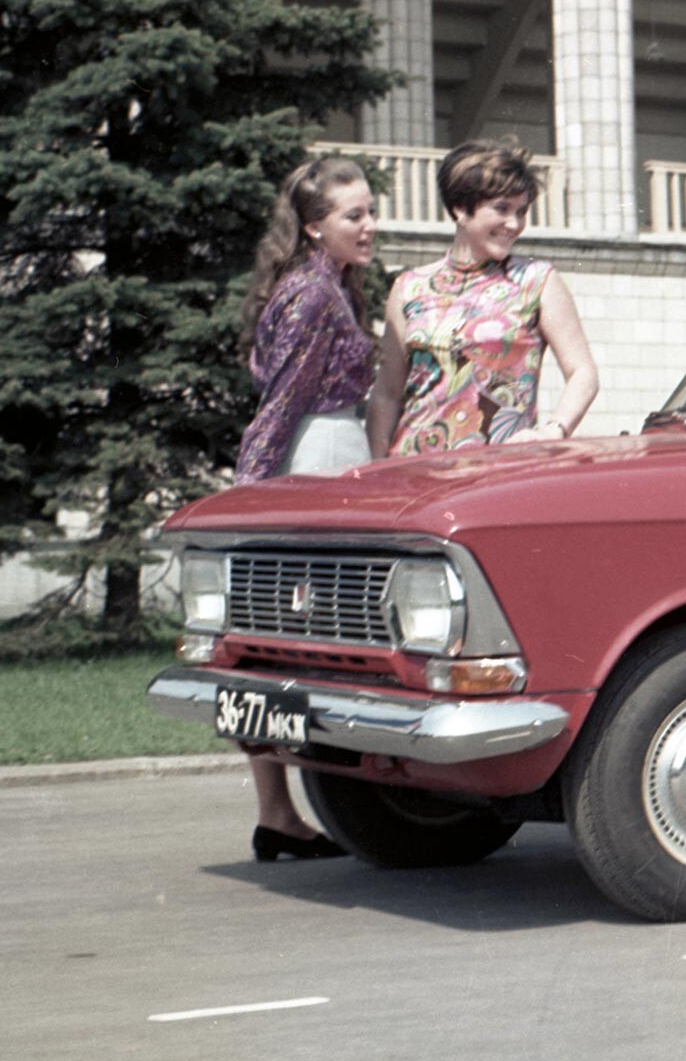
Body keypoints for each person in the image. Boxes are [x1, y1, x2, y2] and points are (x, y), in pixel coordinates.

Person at [232, 156, 381, 861]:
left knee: (284, 646)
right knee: (301, 646)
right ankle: (282, 812)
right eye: (355, 215)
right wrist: (251, 500)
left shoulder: (326, 287)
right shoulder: (314, 296)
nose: (370, 225)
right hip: (317, 463)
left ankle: (279, 815)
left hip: (327, 455)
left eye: (371, 211)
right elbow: (283, 401)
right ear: (316, 226)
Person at [367, 140, 598, 457]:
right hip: (413, 467)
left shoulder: (537, 282)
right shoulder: (409, 287)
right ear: (460, 208)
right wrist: (378, 464)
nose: (514, 224)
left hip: (500, 470)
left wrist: (554, 429)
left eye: (521, 211)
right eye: (502, 209)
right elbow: (387, 392)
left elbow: (583, 372)